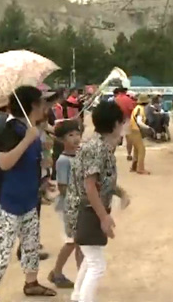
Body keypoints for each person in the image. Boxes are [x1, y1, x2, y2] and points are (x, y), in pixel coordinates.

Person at [0, 86, 57, 301]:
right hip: (8, 202)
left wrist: (42, 176)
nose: (45, 107)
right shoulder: (12, 130)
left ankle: (31, 282)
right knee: (2, 249)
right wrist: (27, 140)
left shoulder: (29, 129)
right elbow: (4, 162)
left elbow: (26, 163)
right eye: (41, 103)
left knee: (31, 245)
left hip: (28, 199)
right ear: (32, 105)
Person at [64, 101, 130, 302]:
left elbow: (101, 180)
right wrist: (104, 217)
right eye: (122, 121)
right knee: (97, 264)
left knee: (92, 257)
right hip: (85, 211)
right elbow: (90, 185)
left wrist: (120, 193)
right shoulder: (97, 148)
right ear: (115, 124)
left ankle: (77, 295)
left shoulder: (102, 146)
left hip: (90, 209)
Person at [48, 119, 84, 289]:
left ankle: (81, 274)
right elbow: (63, 188)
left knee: (79, 243)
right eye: (71, 135)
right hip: (69, 207)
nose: (76, 138)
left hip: (79, 205)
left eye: (77, 134)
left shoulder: (79, 155)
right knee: (72, 242)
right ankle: (56, 273)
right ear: (62, 140)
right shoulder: (63, 161)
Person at [128, 94, 152, 175]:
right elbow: (139, 122)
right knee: (142, 150)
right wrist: (147, 127)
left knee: (136, 149)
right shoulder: (141, 109)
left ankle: (134, 166)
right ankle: (140, 168)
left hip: (132, 129)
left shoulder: (137, 108)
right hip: (136, 130)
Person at [113, 87, 135, 161]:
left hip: (117, 120)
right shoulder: (129, 100)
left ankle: (112, 153)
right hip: (127, 119)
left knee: (115, 138)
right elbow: (131, 110)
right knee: (129, 138)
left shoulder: (116, 99)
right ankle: (129, 154)